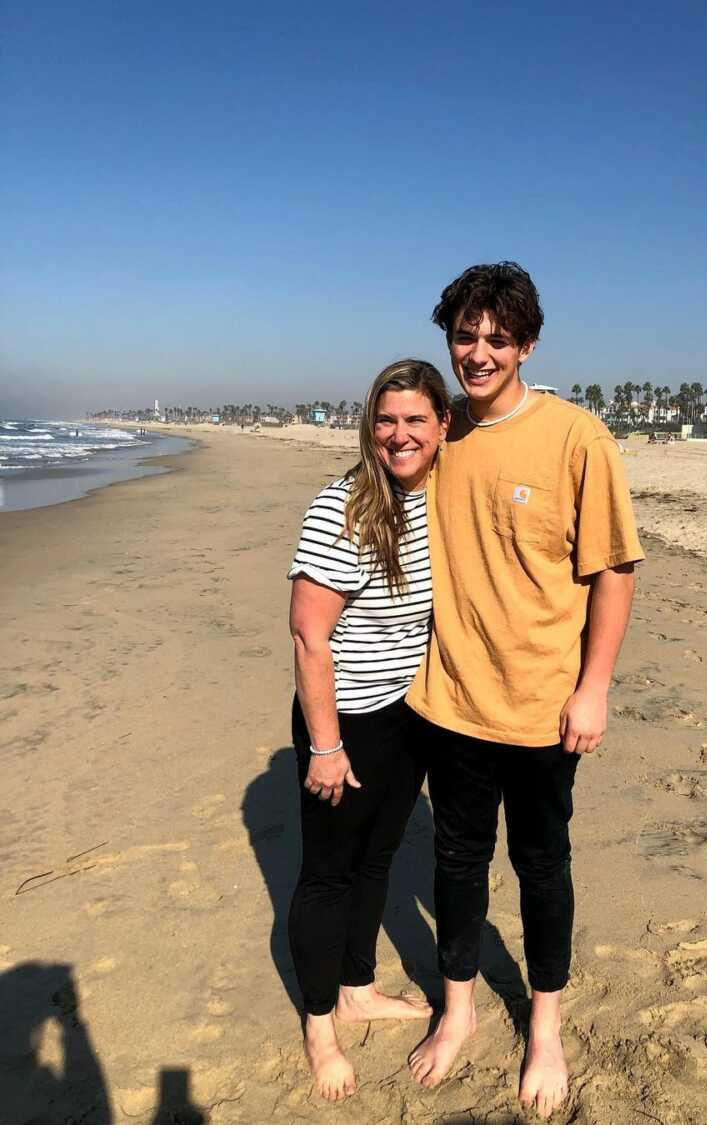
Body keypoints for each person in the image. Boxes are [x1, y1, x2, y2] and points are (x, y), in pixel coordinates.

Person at [406, 263, 645, 1118]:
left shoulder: (579, 438)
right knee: (457, 861)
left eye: (495, 339)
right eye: (464, 336)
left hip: (545, 707)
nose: (477, 352)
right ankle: (460, 1008)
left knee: (542, 864)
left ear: (526, 344)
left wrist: (595, 689)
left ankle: (545, 1025)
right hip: (450, 700)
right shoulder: (442, 435)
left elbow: (613, 570)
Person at [287, 358, 450, 1102]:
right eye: (386, 420)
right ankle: (321, 1025)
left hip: (405, 714)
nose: (399, 434)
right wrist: (324, 744)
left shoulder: (442, 499)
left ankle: (356, 986)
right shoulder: (344, 506)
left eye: (415, 419)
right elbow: (308, 634)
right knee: (327, 871)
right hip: (344, 717)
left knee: (377, 857)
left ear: (443, 426)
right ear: (368, 426)